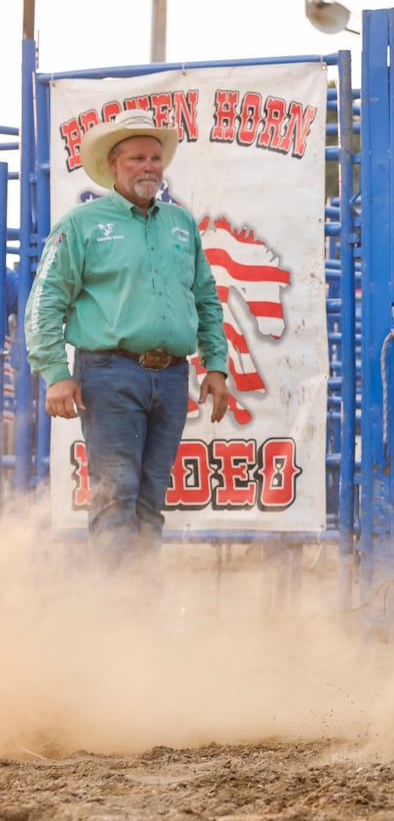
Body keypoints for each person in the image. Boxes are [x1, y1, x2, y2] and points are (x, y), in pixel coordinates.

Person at [25, 108, 230, 568]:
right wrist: (56, 373)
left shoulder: (180, 224)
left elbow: (206, 297)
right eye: (137, 158)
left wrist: (215, 366)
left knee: (149, 500)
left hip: (173, 375)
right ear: (113, 165)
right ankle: (114, 618)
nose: (149, 167)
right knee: (117, 496)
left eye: (156, 158)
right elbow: (46, 300)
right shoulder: (81, 224)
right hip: (109, 372)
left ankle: (137, 613)